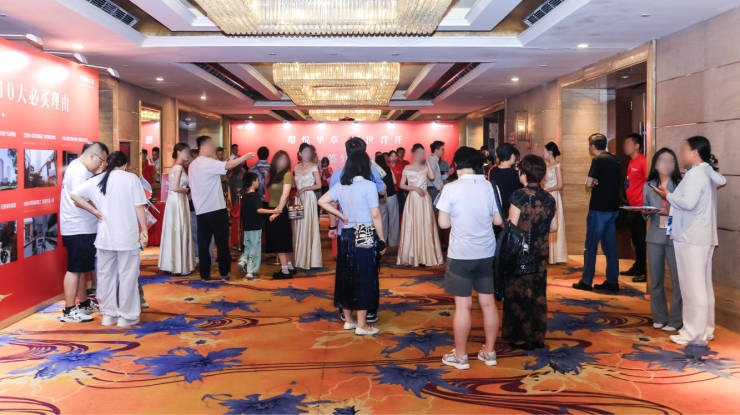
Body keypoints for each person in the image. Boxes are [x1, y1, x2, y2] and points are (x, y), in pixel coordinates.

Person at [652, 136, 726, 345]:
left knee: (693, 287)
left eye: (685, 150)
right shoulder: (706, 172)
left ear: (695, 152)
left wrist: (668, 195)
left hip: (691, 236)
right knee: (702, 285)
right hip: (699, 236)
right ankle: (705, 329)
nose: (682, 154)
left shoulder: (696, 174)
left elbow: (688, 203)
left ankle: (693, 333)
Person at [438, 147, 503, 370]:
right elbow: (498, 221)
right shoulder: (490, 186)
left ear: (457, 165)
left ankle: (461, 357)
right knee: (488, 303)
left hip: (461, 254)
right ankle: (490, 352)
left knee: (463, 306)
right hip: (486, 252)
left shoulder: (450, 188)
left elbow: (443, 224)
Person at [70, 151, 148, 327]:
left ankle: (108, 315)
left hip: (105, 237)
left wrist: (95, 211)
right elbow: (139, 207)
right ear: (125, 164)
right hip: (127, 237)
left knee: (105, 277)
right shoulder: (131, 179)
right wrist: (144, 229)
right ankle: (127, 316)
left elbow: (74, 195)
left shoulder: (97, 179)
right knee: (128, 276)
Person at [319, 150, 386, 336]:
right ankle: (362, 324)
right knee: (365, 276)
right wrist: (381, 239)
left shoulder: (342, 185)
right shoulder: (369, 185)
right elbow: (375, 215)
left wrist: (341, 216)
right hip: (364, 230)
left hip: (347, 232)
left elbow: (322, 201)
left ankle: (348, 320)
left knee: (346, 275)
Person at [503, 155, 557, 350]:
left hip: (521, 253)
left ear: (524, 174)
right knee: (537, 292)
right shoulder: (549, 198)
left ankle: (519, 337)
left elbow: (513, 225)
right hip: (540, 252)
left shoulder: (518, 196)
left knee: (518, 292)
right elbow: (554, 227)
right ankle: (536, 336)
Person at [188, 135, 255, 280]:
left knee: (204, 244)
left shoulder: (193, 165)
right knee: (222, 243)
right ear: (204, 146)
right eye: (211, 144)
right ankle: (224, 272)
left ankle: (204, 274)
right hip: (216, 209)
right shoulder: (207, 162)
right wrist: (244, 157)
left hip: (201, 211)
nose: (213, 147)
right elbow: (228, 165)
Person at [58, 142, 109, 322]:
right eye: (101, 161)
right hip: (77, 227)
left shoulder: (81, 169)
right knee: (74, 269)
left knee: (80, 269)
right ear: (92, 156)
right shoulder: (79, 171)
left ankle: (84, 303)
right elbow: (78, 199)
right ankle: (69, 309)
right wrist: (99, 211)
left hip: (82, 226)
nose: (101, 165)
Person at [572, 133, 622, 293]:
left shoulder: (598, 160)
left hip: (598, 209)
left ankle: (586, 281)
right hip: (613, 209)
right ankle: (612, 281)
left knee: (591, 246)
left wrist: (594, 181)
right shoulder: (615, 160)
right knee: (610, 247)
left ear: (592, 146)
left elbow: (588, 183)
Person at [642, 148, 682, 332]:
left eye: (670, 160)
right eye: (662, 160)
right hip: (655, 235)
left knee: (678, 280)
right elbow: (644, 211)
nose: (666, 164)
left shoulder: (681, 184)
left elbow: (685, 209)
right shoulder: (649, 185)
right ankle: (659, 317)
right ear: (655, 164)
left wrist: (670, 211)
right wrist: (645, 212)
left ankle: (676, 320)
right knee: (655, 280)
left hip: (675, 235)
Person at [397, 144, 443, 267]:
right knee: (412, 225)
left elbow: (432, 177)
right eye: (418, 152)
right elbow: (401, 185)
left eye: (423, 153)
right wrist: (415, 188)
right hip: (413, 199)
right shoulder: (407, 167)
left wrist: (427, 161)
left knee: (426, 225)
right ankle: (413, 256)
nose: (421, 155)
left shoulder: (425, 167)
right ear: (413, 153)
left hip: (424, 199)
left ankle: (426, 255)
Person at [158, 143, 196, 275]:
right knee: (178, 230)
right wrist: (187, 190)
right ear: (179, 152)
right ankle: (178, 265)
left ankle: (172, 264)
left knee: (174, 231)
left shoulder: (176, 167)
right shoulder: (178, 168)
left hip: (175, 201)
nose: (187, 154)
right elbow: (175, 187)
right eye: (186, 152)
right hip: (178, 200)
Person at [619, 133, 648, 282]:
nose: (625, 146)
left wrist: (646, 203)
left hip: (641, 209)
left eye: (628, 144)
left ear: (637, 146)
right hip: (632, 208)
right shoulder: (631, 162)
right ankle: (637, 266)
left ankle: (644, 271)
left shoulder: (643, 161)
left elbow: (650, 183)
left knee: (642, 241)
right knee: (636, 240)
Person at [265, 150, 297, 279]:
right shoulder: (274, 175)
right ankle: (289, 267)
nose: (282, 162)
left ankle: (284, 271)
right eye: (280, 159)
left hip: (280, 210)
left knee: (281, 241)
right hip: (273, 209)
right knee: (282, 239)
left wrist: (277, 211)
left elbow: (285, 194)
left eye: (284, 160)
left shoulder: (287, 174)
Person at [292, 143, 323, 270]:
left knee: (307, 227)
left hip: (309, 198)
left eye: (309, 152)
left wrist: (305, 188)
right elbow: (294, 183)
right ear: (299, 153)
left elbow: (319, 185)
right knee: (296, 227)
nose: (307, 154)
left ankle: (310, 260)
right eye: (304, 152)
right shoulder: (296, 166)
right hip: (297, 199)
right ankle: (298, 259)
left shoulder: (314, 166)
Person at [238, 172, 272, 280]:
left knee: (248, 246)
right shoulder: (255, 196)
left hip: (247, 226)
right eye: (257, 180)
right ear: (253, 182)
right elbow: (259, 210)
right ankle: (250, 271)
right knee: (255, 249)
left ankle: (243, 260)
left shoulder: (244, 196)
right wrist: (273, 211)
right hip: (256, 226)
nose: (259, 182)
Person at [543, 142, 568, 264]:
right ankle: (549, 255)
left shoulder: (557, 165)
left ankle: (556, 256)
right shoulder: (547, 166)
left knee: (554, 223)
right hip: (547, 196)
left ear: (550, 152)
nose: (543, 154)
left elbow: (560, 185)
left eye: (544, 151)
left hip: (553, 196)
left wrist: (546, 190)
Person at [489, 143, 522, 222]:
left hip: (496, 211)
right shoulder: (515, 174)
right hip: (510, 213)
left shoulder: (493, 171)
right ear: (512, 156)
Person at [375, 152, 400, 247]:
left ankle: (383, 240)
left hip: (381, 198)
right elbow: (395, 182)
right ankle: (394, 243)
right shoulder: (388, 168)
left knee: (382, 220)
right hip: (391, 195)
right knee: (394, 219)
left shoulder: (374, 171)